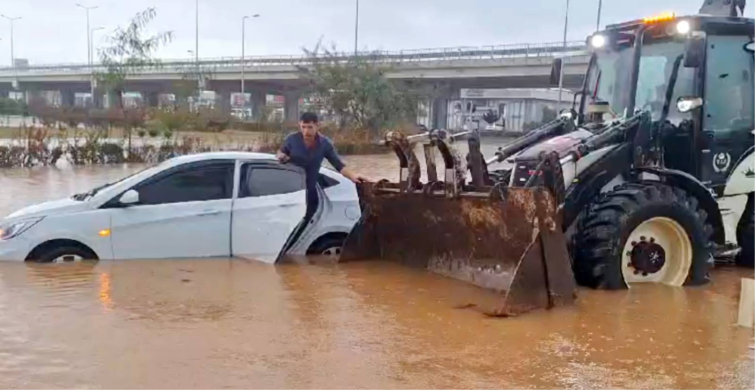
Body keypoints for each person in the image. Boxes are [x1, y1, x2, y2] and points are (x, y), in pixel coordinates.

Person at [277, 112, 368, 218]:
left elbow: (339, 165)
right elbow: (281, 152)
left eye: (310, 127)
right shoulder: (292, 139)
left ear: (317, 126)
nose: (306, 131)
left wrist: (353, 176)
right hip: (290, 192)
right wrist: (281, 156)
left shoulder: (324, 144)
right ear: (300, 125)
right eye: (303, 127)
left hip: (310, 193)